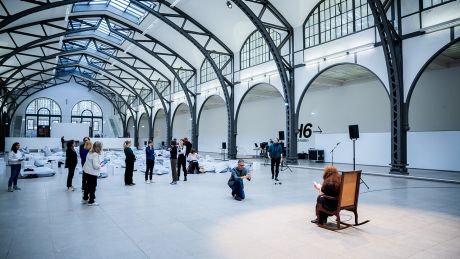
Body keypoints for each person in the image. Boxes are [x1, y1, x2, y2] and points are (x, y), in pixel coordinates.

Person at [82, 141, 104, 206]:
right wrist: (100, 165)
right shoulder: (95, 155)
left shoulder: (90, 152)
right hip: (92, 173)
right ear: (98, 147)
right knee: (92, 187)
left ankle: (85, 198)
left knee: (87, 185)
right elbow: (95, 165)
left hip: (87, 171)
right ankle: (91, 201)